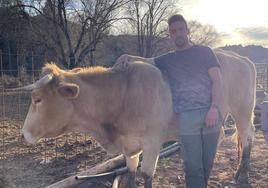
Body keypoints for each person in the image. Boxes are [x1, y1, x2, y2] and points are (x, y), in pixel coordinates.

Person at [115, 14, 223, 188]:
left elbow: (217, 81)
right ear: (170, 35)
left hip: (211, 114)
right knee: (193, 167)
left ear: (187, 31)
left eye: (181, 29)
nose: (178, 33)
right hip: (186, 119)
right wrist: (130, 56)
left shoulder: (205, 52)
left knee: (207, 164)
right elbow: (148, 61)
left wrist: (214, 108)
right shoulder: (169, 59)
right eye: (173, 31)